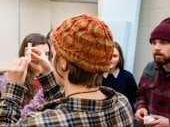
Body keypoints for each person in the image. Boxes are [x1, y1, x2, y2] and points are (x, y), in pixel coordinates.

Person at [0, 14, 134, 126]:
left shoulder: (40, 122)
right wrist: (48, 74)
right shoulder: (122, 104)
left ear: (63, 62)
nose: (51, 60)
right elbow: (69, 104)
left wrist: (13, 89)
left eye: (53, 55)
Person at [0, 33, 49, 117]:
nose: (44, 58)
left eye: (46, 54)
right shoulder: (9, 79)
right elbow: (12, 115)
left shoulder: (51, 79)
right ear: (26, 54)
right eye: (37, 53)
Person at [135, 17, 170, 127]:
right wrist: (141, 107)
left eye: (163, 42)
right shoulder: (150, 68)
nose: (156, 48)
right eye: (153, 43)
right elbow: (140, 95)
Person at [102, 41, 137, 112]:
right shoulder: (95, 76)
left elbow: (134, 101)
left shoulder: (128, 77)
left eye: (114, 56)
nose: (110, 59)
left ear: (119, 59)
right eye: (107, 55)